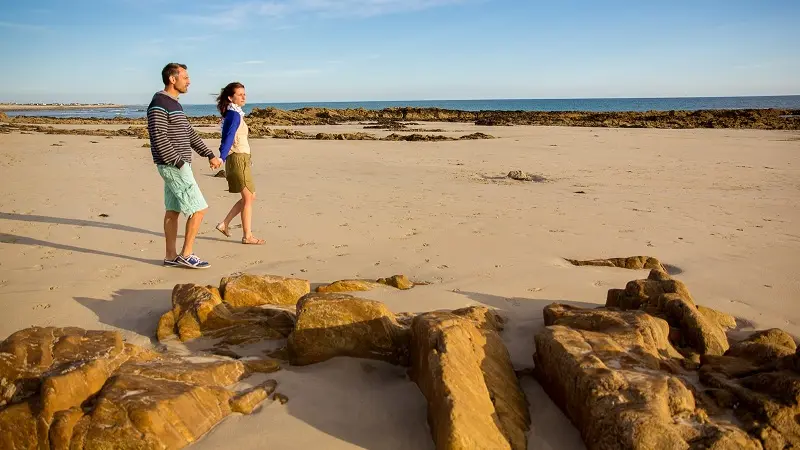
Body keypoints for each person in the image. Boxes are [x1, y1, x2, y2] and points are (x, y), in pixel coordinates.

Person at [147, 62, 223, 269]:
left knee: (173, 210)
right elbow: (158, 137)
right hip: (173, 165)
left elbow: (189, 133)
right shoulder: (158, 104)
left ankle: (170, 257)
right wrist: (179, 162)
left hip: (176, 164)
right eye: (185, 77)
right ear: (173, 79)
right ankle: (186, 254)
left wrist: (208, 154)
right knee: (199, 208)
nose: (189, 81)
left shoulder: (174, 104)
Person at [214, 82, 265, 245]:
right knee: (248, 198)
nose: (244, 97)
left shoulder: (233, 113)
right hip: (238, 159)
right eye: (240, 94)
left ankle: (225, 224)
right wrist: (221, 157)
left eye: (245, 94)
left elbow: (227, 136)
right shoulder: (234, 115)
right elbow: (228, 137)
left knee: (250, 197)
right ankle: (247, 236)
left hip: (239, 159)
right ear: (230, 97)